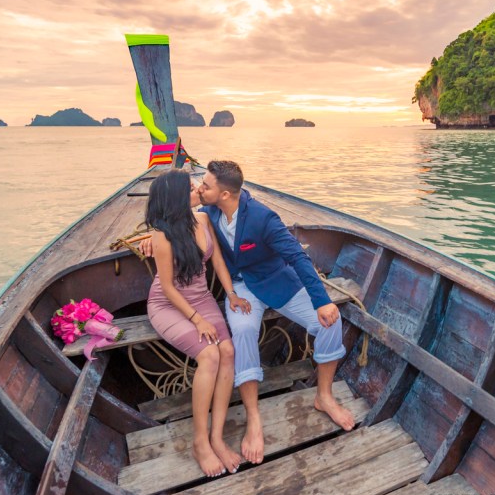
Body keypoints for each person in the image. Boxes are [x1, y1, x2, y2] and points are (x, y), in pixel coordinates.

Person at [196, 160, 355, 465]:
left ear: (225, 194)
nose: (200, 188)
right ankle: (254, 418)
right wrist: (155, 236)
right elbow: (180, 205)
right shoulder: (211, 209)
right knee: (243, 331)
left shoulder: (263, 218)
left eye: (206, 185)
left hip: (277, 282)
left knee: (330, 322)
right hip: (241, 289)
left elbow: (297, 257)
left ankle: (324, 396)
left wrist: (322, 300)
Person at [145, 168, 247, 477]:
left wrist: (231, 294)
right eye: (191, 188)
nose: (198, 190)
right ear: (177, 197)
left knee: (228, 352)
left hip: (202, 298)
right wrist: (197, 320)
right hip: (168, 304)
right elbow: (167, 287)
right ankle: (200, 442)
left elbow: (217, 260)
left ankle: (217, 437)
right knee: (210, 355)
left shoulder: (203, 218)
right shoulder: (161, 236)